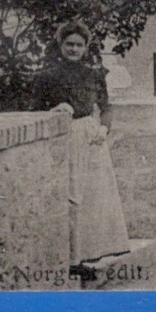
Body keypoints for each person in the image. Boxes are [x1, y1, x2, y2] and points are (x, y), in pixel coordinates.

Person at [31, 21, 131, 270]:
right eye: (69, 44)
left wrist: (103, 128)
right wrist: (54, 110)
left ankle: (89, 255)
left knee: (94, 195)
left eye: (79, 45)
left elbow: (106, 108)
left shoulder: (94, 74)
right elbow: (33, 111)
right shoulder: (47, 76)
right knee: (72, 193)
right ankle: (72, 259)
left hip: (90, 136)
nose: (74, 49)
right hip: (66, 136)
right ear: (60, 45)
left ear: (86, 47)